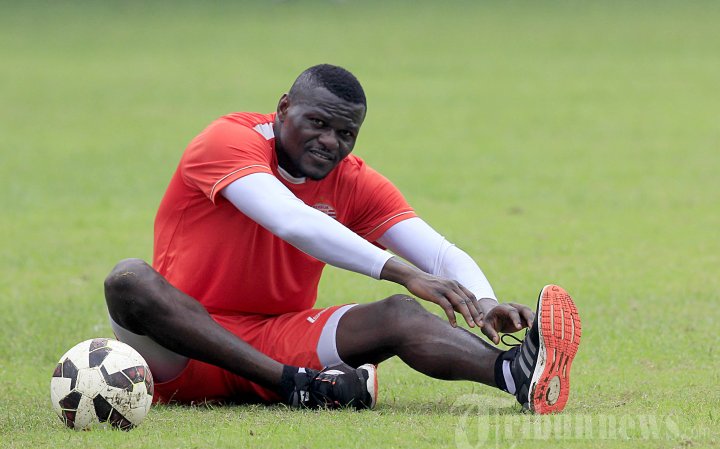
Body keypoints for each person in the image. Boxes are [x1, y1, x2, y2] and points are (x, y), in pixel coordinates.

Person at [104, 64, 582, 414]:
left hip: (275, 337)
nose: (331, 142)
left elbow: (438, 253)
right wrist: (402, 272)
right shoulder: (227, 141)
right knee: (128, 280)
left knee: (399, 313)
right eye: (318, 123)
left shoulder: (353, 181)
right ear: (284, 108)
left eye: (346, 133)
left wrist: (484, 301)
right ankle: (304, 386)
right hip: (182, 345)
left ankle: (515, 374)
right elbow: (292, 221)